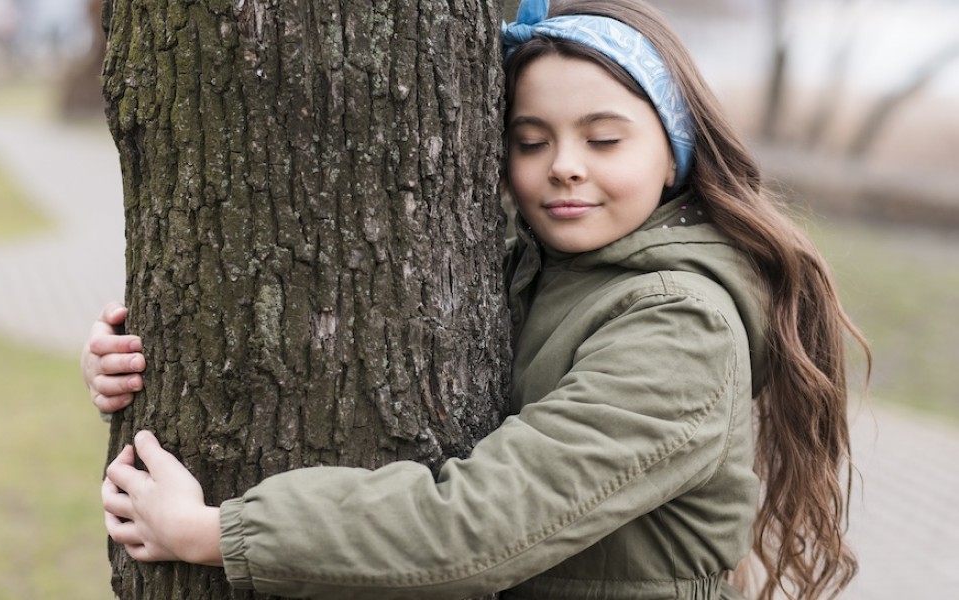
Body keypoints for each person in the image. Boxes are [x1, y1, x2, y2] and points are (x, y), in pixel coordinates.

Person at [84, 0, 868, 598]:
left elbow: (479, 525)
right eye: (530, 141)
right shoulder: (531, 272)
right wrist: (139, 360)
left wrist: (219, 532)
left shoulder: (680, 325)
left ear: (674, 157)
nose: (564, 165)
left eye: (603, 139)